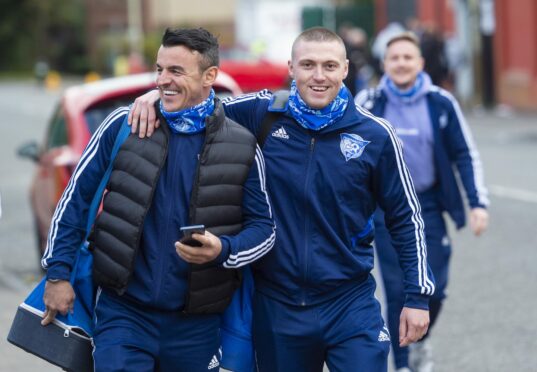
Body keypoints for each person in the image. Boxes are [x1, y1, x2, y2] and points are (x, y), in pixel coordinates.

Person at [129, 27, 434, 372]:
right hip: (278, 307)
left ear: (346, 69)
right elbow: (201, 105)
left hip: (349, 301)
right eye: (308, 65)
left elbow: (406, 218)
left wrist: (416, 296)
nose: (319, 76)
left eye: (330, 66)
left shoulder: (376, 135)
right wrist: (156, 98)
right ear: (291, 67)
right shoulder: (264, 113)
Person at [40, 27, 275, 371]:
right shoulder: (125, 125)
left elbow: (264, 229)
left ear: (210, 76)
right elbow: (74, 201)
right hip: (124, 313)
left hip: (197, 325)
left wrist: (223, 249)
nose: (163, 80)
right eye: (160, 69)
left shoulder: (241, 145)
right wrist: (58, 274)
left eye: (176, 71)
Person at [355, 32, 489, 372]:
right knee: (399, 286)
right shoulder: (369, 102)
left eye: (407, 57)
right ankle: (402, 364)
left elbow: (464, 154)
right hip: (387, 210)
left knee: (436, 287)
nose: (401, 63)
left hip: (428, 205)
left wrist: (477, 204)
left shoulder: (441, 102)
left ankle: (420, 340)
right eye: (394, 58)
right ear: (384, 64)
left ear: (420, 63)